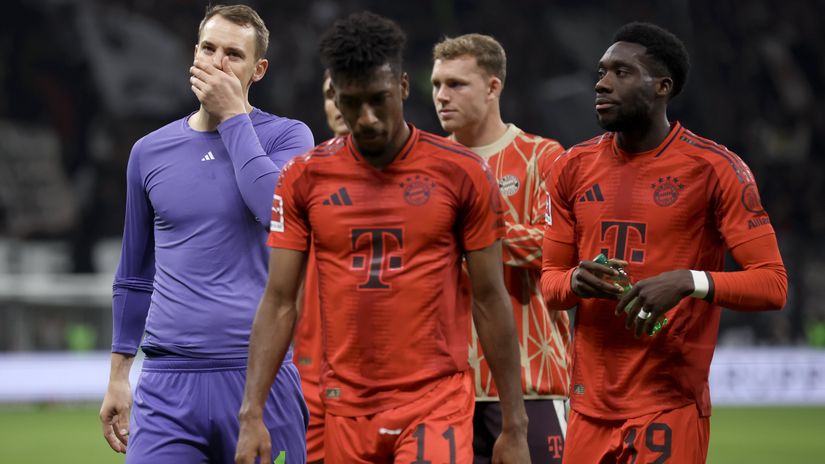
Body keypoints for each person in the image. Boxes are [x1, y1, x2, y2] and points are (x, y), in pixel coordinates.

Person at [236, 11, 530, 464]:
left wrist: (515, 425)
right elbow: (278, 300)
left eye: (380, 100)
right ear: (333, 95)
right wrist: (251, 413)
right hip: (345, 409)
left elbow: (490, 298)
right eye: (353, 103)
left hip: (435, 401)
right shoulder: (303, 177)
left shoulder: (463, 173)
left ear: (404, 88)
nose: (368, 118)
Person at [540, 22, 787, 463]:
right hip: (587, 407)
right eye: (601, 71)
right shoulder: (570, 168)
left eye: (621, 72)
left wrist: (688, 281)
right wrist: (576, 280)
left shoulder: (715, 169)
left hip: (668, 404)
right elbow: (550, 286)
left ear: (662, 87)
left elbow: (773, 285)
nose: (601, 82)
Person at [98, 5, 314, 463]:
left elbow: (272, 209)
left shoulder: (289, 138)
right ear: (193, 53)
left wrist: (235, 117)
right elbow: (134, 272)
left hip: (261, 378)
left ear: (258, 70)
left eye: (233, 55)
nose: (217, 63)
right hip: (167, 383)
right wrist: (119, 373)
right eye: (209, 49)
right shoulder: (149, 151)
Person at [430, 33, 571, 463]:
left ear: (493, 88)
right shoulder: (427, 165)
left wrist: (473, 229)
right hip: (445, 386)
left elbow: (559, 248)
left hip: (533, 380)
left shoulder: (543, 157)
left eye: (456, 84)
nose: (441, 96)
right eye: (436, 85)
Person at [292, 70, 350, 464]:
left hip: (381, 382)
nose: (342, 103)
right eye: (332, 94)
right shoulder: (300, 176)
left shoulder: (419, 178)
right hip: (307, 377)